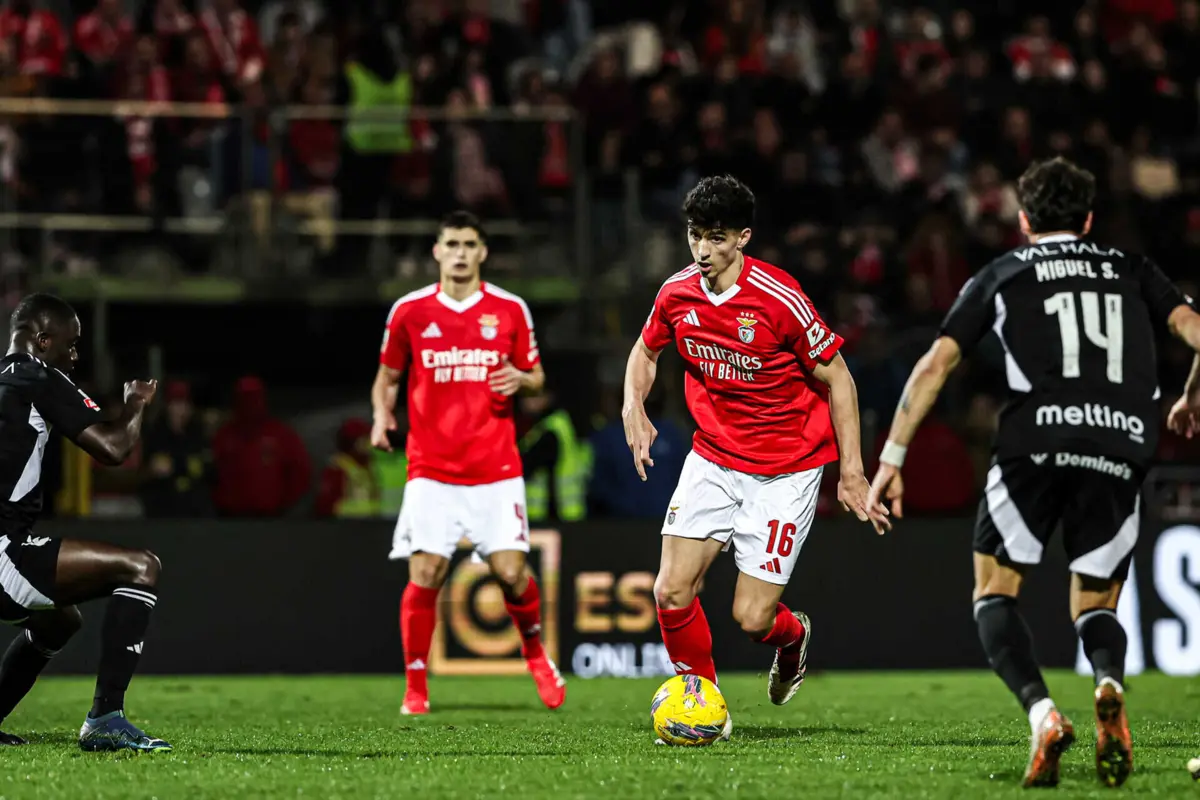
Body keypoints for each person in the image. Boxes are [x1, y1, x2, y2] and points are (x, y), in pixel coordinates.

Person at [867, 157, 1200, 788]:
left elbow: (936, 365)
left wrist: (892, 458)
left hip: (1035, 442)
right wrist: (1191, 395)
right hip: (1121, 443)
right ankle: (1106, 682)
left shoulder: (1004, 271)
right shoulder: (1130, 269)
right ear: (1090, 219)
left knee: (993, 593)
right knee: (1096, 600)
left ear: (1023, 220)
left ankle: (1044, 714)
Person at [622, 175, 887, 742]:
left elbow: (839, 376)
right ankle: (704, 705)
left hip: (786, 470)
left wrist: (852, 471)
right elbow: (645, 350)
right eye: (695, 235)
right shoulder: (677, 293)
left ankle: (793, 640)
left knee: (752, 618)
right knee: (670, 591)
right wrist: (633, 405)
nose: (703, 250)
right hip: (714, 458)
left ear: (743, 237)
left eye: (716, 237)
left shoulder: (779, 299)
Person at [371, 210, 565, 715]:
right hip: (431, 469)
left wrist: (522, 381)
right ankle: (416, 686)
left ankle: (536, 654)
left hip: (496, 468)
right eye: (451, 243)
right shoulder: (410, 311)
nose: (459, 252)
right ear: (437, 251)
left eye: (468, 244)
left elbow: (539, 375)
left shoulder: (509, 309)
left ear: (483, 252)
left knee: (511, 573)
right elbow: (388, 376)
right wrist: (380, 417)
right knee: (427, 570)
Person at [0, 293, 171, 752]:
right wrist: (136, 403)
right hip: (2, 553)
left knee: (59, 621)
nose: (74, 357)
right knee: (141, 567)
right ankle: (105, 719)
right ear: (42, 339)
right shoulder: (41, 377)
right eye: (71, 345)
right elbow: (114, 449)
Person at [211, 376, 311, 517]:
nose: (250, 404)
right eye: (245, 398)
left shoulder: (280, 434)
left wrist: (281, 502)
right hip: (231, 518)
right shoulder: (225, 435)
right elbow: (211, 473)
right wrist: (222, 500)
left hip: (269, 517)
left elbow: (301, 471)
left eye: (254, 397)